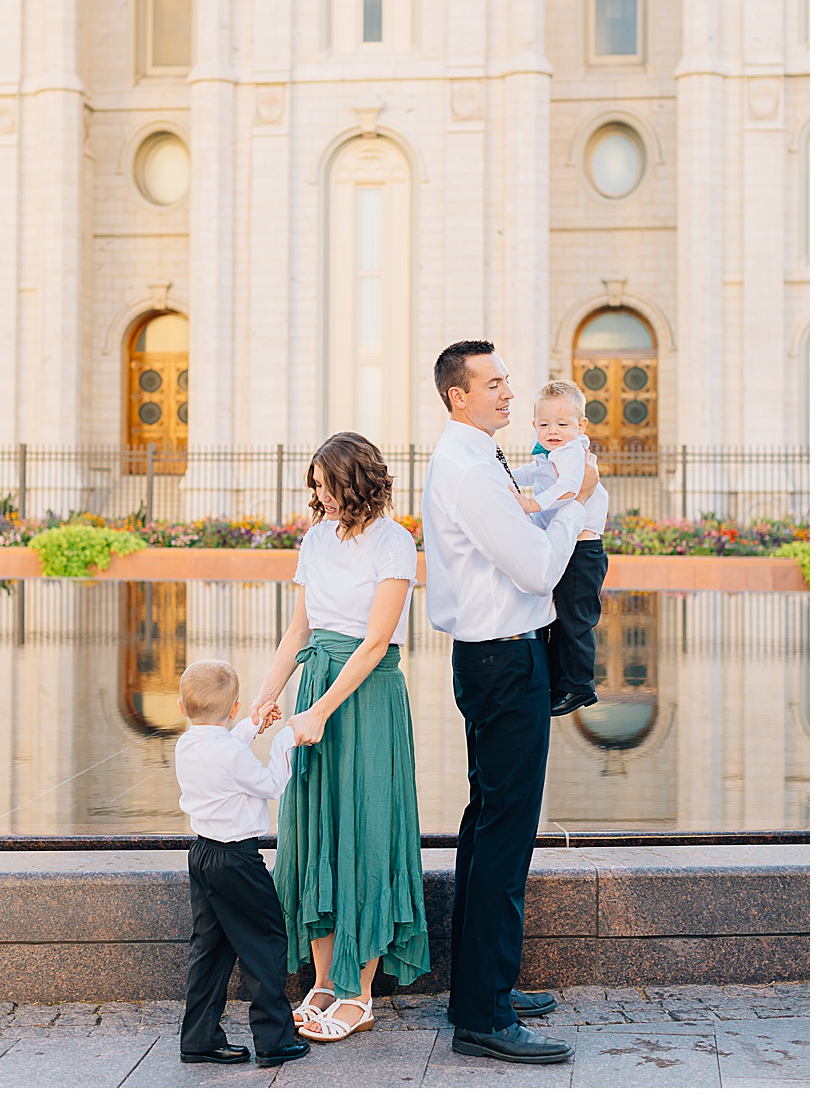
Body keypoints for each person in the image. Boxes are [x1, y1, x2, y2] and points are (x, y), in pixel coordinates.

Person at [421, 341, 599, 1065]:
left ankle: (481, 989)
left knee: (488, 825)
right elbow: (535, 565)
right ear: (459, 396)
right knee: (504, 832)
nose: (507, 393)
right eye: (493, 384)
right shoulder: (468, 471)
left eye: (505, 381)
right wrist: (575, 511)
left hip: (494, 657)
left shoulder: (476, 462)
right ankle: (485, 1015)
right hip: (503, 660)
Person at [247, 432, 428, 1046]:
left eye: (326, 486)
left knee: (365, 832)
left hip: (365, 696)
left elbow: (376, 641)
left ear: (355, 484)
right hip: (316, 689)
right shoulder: (317, 537)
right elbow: (299, 628)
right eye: (314, 487)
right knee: (315, 829)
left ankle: (360, 991)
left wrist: (321, 710)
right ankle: (324, 980)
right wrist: (271, 693)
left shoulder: (395, 541)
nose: (317, 496)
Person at [173, 658, 309, 1069]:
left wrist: (252, 724)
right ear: (232, 709)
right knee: (265, 942)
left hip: (203, 855)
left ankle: (198, 1037)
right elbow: (270, 784)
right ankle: (274, 1040)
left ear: (181, 708)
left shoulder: (186, 743)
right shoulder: (229, 754)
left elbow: (226, 748)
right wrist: (286, 739)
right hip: (237, 861)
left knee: (209, 949)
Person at [510, 380, 609, 716]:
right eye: (545, 424)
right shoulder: (549, 453)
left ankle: (580, 686)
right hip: (564, 546)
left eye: (562, 424)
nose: (553, 431)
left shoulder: (571, 453)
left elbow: (570, 487)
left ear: (580, 426)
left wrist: (534, 503)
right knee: (556, 617)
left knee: (575, 619)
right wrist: (503, 473)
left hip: (583, 552)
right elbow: (530, 471)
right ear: (534, 425)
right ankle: (559, 681)